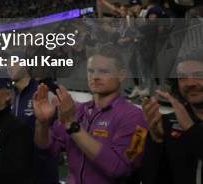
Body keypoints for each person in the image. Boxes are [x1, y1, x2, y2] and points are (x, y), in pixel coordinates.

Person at [33, 45, 148, 184]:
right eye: (91, 71)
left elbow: (120, 168)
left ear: (121, 75)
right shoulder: (77, 110)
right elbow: (48, 149)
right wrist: (42, 123)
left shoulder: (135, 117)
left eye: (104, 72)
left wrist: (72, 125)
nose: (95, 77)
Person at [141, 54, 203, 183]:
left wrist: (190, 129)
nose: (190, 83)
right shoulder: (167, 122)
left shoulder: (184, 123)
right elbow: (151, 179)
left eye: (198, 74)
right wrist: (156, 141)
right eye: (182, 77)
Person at [7, 63, 59, 184]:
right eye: (7, 64)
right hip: (15, 169)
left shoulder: (43, 93)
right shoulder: (8, 94)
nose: (9, 66)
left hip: (41, 172)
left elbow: (55, 136)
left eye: (13, 63)